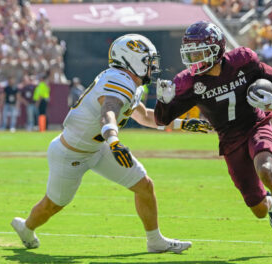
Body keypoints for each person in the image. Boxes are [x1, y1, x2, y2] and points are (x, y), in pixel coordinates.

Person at [11, 34, 212, 253]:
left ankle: (155, 241)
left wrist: (183, 124)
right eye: (147, 61)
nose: (152, 67)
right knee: (53, 205)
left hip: (99, 148)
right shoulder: (118, 81)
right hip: (71, 155)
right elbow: (108, 112)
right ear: (130, 60)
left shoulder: (129, 83)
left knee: (144, 185)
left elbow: (144, 117)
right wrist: (114, 141)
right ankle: (26, 227)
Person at [154, 21, 272, 255]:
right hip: (229, 141)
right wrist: (163, 101)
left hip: (255, 124)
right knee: (257, 208)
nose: (194, 59)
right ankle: (271, 206)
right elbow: (161, 120)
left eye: (199, 52)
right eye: (191, 53)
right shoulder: (189, 81)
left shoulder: (242, 60)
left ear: (216, 50)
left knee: (267, 170)